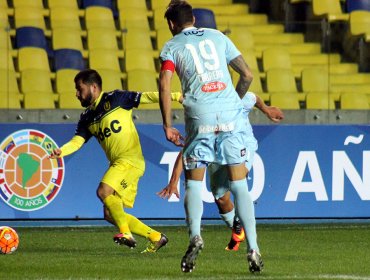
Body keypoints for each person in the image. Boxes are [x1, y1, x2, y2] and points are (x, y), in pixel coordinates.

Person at [158, 0, 278, 273]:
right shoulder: (218, 36)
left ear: (171, 24)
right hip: (230, 115)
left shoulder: (171, 47)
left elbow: (165, 85)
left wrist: (167, 124)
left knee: (194, 184)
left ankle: (196, 236)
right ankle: (254, 248)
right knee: (239, 185)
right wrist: (232, 103)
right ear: (194, 18)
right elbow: (247, 74)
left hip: (200, 114)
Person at [49, 69, 182, 253]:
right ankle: (156, 237)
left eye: (80, 89)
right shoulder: (87, 117)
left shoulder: (117, 98)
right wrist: (60, 151)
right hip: (120, 164)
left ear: (93, 87)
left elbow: (147, 97)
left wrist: (175, 95)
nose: (77, 94)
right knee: (109, 214)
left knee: (103, 191)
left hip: (130, 159)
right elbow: (77, 141)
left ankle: (126, 233)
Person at [157, 92, 284, 252]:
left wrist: (266, 110)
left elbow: (253, 97)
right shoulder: (204, 111)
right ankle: (237, 228)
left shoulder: (236, 97)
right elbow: (188, 149)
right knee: (221, 198)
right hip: (217, 152)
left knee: (238, 180)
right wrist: (173, 181)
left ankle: (252, 245)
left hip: (242, 145)